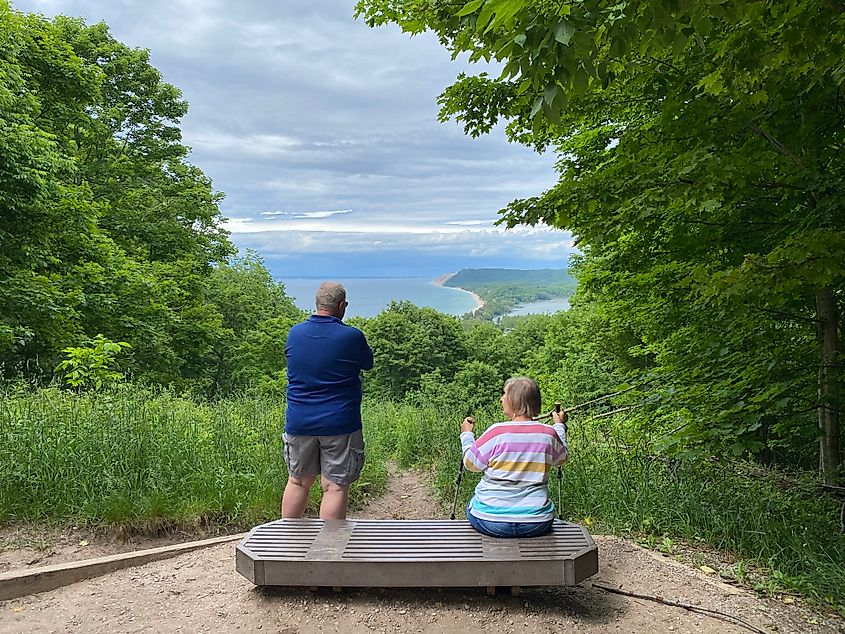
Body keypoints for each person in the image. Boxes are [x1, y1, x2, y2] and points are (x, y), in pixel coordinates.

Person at [281, 281, 374, 519]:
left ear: (317, 304)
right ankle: (328, 552)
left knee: (298, 482)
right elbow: (368, 364)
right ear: (342, 306)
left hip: (299, 421)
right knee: (334, 486)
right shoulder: (351, 336)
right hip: (339, 423)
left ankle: (286, 548)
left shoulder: (295, 333)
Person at [459, 376, 568, 537]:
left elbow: (470, 463)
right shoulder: (548, 433)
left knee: (473, 503)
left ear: (514, 401)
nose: (501, 399)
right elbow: (561, 458)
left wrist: (467, 435)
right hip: (537, 522)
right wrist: (559, 426)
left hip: (491, 521)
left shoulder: (496, 432)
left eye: (504, 394)